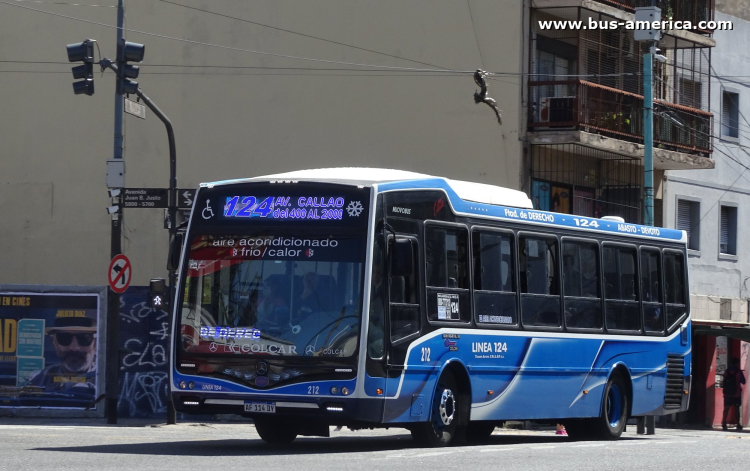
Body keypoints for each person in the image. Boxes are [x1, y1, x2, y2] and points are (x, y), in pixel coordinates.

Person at [28, 314, 97, 398]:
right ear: (54, 342)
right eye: (64, 338)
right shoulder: (37, 379)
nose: (74, 348)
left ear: (96, 344)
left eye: (84, 339)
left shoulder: (105, 382)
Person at [722, 357, 746, 431]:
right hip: (736, 394)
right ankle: (738, 424)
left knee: (726, 408)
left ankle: (724, 423)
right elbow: (744, 381)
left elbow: (724, 381)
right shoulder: (739, 372)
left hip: (727, 394)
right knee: (736, 409)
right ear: (737, 364)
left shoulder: (726, 371)